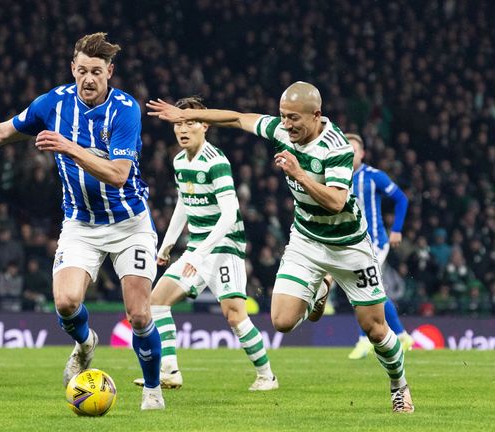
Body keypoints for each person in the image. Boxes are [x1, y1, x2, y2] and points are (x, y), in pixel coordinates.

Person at [0, 33, 164, 410]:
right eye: (82, 71)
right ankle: (85, 343)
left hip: (129, 224)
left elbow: (119, 174)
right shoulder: (53, 103)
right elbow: (0, 133)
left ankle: (152, 390)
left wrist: (69, 147)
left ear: (110, 72)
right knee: (65, 303)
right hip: (80, 223)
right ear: (72, 69)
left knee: (139, 313)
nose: (89, 79)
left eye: (97, 71)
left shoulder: (124, 110)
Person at [147, 81, 414, 413]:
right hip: (306, 239)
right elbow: (236, 118)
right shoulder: (281, 129)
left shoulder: (338, 148)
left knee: (375, 330)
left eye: (293, 119)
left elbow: (336, 201)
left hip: (349, 245)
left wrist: (300, 174)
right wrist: (190, 114)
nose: (286, 126)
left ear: (316, 115)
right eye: (282, 117)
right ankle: (319, 289)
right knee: (282, 321)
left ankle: (398, 385)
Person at [131, 97, 277, 391]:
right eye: (179, 123)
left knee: (234, 315)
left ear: (205, 125)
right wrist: (167, 244)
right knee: (157, 302)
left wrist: (199, 256)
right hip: (198, 247)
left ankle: (266, 376)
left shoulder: (216, 162)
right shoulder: (179, 161)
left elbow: (229, 216)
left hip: (225, 248)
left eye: (190, 122)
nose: (183, 129)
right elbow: (184, 203)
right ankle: (170, 371)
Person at [345, 133, 414, 359]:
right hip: (352, 244)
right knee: (372, 291)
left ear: (362, 153)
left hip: (375, 242)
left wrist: (396, 229)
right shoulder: (338, 177)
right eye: (347, 149)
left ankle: (364, 339)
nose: (350, 153)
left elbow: (402, 199)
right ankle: (402, 336)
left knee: (363, 288)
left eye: (354, 150)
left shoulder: (375, 176)